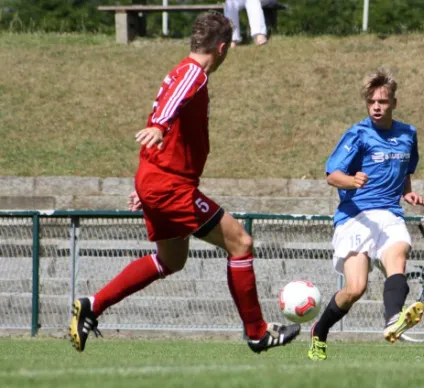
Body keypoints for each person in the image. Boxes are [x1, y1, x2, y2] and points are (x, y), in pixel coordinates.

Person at [69, 11, 300, 354]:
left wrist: (145, 182)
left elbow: (169, 117)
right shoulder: (193, 73)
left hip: (156, 178)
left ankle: (93, 304)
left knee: (170, 261)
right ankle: (257, 332)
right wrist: (160, 127)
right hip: (169, 185)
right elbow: (166, 114)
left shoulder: (180, 71)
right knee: (240, 242)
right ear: (222, 48)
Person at [307, 68, 424, 361]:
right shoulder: (358, 134)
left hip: (389, 213)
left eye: (383, 102)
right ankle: (319, 332)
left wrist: (407, 191)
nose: (377, 106)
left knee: (398, 255)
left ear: (394, 103)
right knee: (355, 288)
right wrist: (351, 181)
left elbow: (406, 168)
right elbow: (331, 175)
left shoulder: (408, 134)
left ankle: (392, 321)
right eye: (372, 101)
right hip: (355, 215)